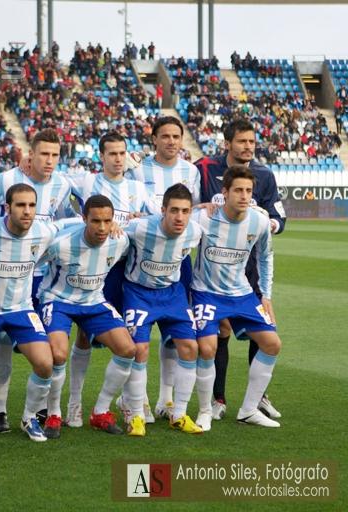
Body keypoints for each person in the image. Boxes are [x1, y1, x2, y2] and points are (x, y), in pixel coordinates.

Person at [0, 128, 76, 434]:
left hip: (45, 279)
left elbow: (64, 221)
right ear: (31, 153)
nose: (50, 161)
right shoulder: (6, 180)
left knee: (51, 348)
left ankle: (48, 410)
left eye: (55, 155)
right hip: (3, 278)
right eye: (44, 154)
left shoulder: (63, 184)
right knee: (1, 341)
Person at [63, 132, 157, 429]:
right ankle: (74, 403)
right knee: (83, 334)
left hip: (127, 268)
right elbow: (55, 191)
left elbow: (158, 218)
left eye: (122, 153)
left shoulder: (137, 187)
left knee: (133, 335)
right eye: (112, 153)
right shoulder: (86, 181)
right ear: (101, 156)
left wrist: (140, 218)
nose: (118, 159)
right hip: (94, 266)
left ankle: (133, 399)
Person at [196, 119, 286, 422]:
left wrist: (267, 223)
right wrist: (200, 208)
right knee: (218, 335)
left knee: (266, 337)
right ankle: (216, 401)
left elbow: (278, 217)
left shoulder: (264, 175)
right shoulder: (205, 168)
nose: (248, 147)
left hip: (247, 273)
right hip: (211, 274)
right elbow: (180, 206)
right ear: (228, 143)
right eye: (242, 141)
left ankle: (255, 402)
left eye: (252, 142)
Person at [38, 195, 136, 439]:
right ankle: (54, 413)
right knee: (58, 354)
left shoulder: (119, 240)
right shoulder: (60, 244)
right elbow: (28, 262)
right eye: (95, 221)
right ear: (84, 219)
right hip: (57, 300)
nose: (102, 228)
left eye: (107, 221)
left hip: (93, 301)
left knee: (127, 349)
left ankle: (100, 411)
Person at [125, 115, 200, 422]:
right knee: (136, 338)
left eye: (176, 136)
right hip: (140, 250)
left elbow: (197, 208)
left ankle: (167, 399)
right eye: (165, 136)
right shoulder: (137, 168)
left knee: (175, 334)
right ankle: (137, 401)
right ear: (153, 138)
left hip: (175, 259)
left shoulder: (191, 171)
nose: (171, 141)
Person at [116, 184, 203, 436]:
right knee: (139, 350)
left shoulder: (195, 231)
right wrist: (114, 225)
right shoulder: (141, 227)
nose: (180, 217)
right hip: (138, 293)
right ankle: (135, 415)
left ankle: (179, 413)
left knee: (190, 347)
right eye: (174, 210)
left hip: (172, 294)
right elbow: (117, 230)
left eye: (185, 211)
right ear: (163, 210)